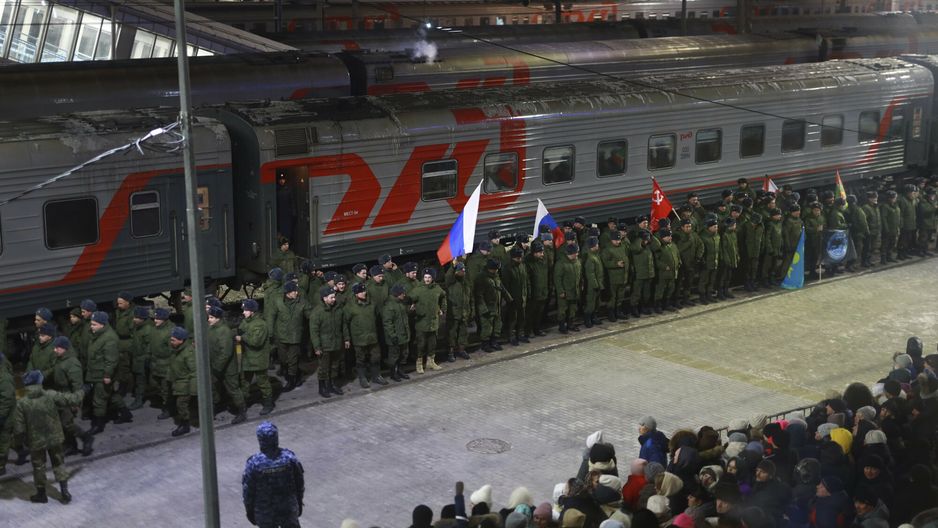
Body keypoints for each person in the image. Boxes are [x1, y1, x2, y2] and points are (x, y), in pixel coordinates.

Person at [14, 370, 83, 504]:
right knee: (59, 462)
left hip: (35, 440)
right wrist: (82, 391)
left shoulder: (21, 402)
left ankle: (41, 495)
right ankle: (64, 492)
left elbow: (19, 429)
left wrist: (19, 444)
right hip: (54, 436)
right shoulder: (50, 394)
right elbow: (71, 399)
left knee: (38, 466)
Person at [243, 421, 305, 528]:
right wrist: (299, 502)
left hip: (265, 514)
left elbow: (248, 492)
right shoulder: (289, 458)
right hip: (288, 510)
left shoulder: (254, 463)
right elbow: (299, 484)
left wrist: (249, 511)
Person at [86, 311, 132, 434]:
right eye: (91, 324)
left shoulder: (109, 338)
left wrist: (107, 375)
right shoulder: (98, 335)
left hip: (102, 374)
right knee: (111, 395)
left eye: (94, 324)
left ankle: (98, 424)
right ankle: (126, 414)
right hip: (97, 371)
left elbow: (111, 360)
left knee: (99, 399)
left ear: (102, 324)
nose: (91, 327)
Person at [48, 337, 93, 457]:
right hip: (61, 395)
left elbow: (77, 385)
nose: (55, 350)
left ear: (65, 348)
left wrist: (76, 403)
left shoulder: (72, 363)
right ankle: (71, 446)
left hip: (70, 397)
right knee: (62, 424)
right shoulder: (59, 359)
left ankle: (86, 437)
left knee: (67, 423)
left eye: (57, 348)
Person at [266, 281, 310, 392]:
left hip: (295, 336)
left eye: (296, 291)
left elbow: (311, 315)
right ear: (287, 293)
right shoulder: (277, 301)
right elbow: (271, 316)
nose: (296, 293)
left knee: (292, 360)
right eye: (294, 291)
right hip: (281, 336)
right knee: (283, 359)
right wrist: (270, 333)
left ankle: (291, 381)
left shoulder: (302, 302)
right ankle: (296, 374)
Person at [207, 306, 246, 425]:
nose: (209, 319)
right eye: (209, 317)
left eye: (211, 317)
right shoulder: (211, 328)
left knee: (233, 389)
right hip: (215, 365)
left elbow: (226, 353)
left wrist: (216, 367)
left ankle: (241, 411)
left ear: (218, 318)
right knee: (214, 388)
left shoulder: (224, 331)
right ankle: (216, 406)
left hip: (227, 368)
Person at [309, 286, 349, 397]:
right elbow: (314, 331)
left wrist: (346, 339)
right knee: (323, 367)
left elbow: (344, 325)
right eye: (331, 297)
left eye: (334, 297)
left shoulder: (338, 309)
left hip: (337, 343)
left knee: (335, 366)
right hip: (324, 346)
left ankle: (332, 385)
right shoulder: (317, 312)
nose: (334, 299)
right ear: (324, 298)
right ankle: (322, 387)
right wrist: (317, 347)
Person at [345, 282, 386, 387]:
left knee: (376, 357)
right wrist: (347, 338)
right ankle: (362, 378)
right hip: (359, 339)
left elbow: (377, 318)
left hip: (372, 337)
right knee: (361, 359)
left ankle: (376, 376)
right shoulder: (350, 307)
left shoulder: (372, 304)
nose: (364, 293)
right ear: (355, 294)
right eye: (361, 292)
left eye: (364, 291)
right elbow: (345, 323)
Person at [238, 299, 275, 416]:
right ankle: (242, 404)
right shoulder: (246, 321)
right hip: (248, 358)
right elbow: (240, 330)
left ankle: (268, 403)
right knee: (244, 382)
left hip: (258, 359)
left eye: (246, 310)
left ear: (252, 311)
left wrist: (242, 337)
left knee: (263, 383)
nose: (243, 312)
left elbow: (256, 342)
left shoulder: (260, 324)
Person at [168, 326, 196, 437]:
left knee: (181, 404)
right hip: (178, 382)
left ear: (181, 340)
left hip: (185, 384)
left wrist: (193, 390)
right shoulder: (176, 350)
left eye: (173, 340)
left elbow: (194, 371)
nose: (171, 342)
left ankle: (185, 425)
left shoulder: (188, 353)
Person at [383, 284, 412, 382]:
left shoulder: (400, 303)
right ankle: (393, 373)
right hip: (395, 337)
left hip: (403, 335)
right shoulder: (389, 306)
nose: (404, 295)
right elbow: (387, 323)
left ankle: (400, 370)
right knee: (394, 356)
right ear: (397, 294)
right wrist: (393, 335)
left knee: (403, 354)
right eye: (402, 293)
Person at [150, 308, 175, 419]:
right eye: (155, 318)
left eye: (158, 318)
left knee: (166, 389)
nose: (155, 320)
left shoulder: (170, 331)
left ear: (164, 319)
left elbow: (172, 351)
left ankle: (168, 408)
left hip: (166, 364)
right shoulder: (155, 329)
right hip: (156, 363)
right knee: (157, 385)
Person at [128, 306, 153, 411]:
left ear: (143, 318)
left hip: (142, 360)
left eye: (137, 317)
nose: (134, 319)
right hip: (137, 358)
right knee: (138, 380)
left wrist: (145, 359)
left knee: (140, 381)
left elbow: (149, 347)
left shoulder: (147, 329)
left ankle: (139, 400)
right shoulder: (138, 327)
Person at [477, 259, 505, 351]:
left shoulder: (496, 276)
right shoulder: (482, 277)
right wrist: (483, 309)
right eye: (494, 269)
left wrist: (509, 298)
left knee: (497, 325)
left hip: (497, 305)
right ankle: (485, 344)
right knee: (487, 326)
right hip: (487, 307)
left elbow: (501, 287)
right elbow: (479, 295)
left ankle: (494, 341)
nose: (496, 271)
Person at [445, 262, 472, 359]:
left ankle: (461, 350)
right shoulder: (451, 282)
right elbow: (448, 276)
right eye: (461, 270)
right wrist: (452, 266)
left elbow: (470, 297)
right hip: (454, 313)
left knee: (463, 333)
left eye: (464, 270)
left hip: (464, 312)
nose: (463, 272)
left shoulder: (466, 283)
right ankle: (450, 352)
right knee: (452, 333)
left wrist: (470, 310)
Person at [504, 246, 531, 341]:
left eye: (520, 258)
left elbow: (526, 280)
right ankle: (511, 336)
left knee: (522, 317)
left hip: (522, 297)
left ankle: (520, 334)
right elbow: (506, 286)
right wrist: (509, 298)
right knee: (512, 319)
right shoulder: (507, 269)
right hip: (513, 299)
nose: (519, 260)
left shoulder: (522, 266)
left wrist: (528, 293)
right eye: (517, 258)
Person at [0, 351, 15, 476]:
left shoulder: (4, 378)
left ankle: (1, 466)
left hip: (6, 415)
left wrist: (1, 416)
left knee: (3, 440)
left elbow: (7, 400)